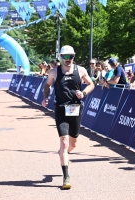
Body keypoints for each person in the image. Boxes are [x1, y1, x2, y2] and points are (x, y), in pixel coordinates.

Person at [41, 45, 94, 189]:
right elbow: (47, 85)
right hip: (60, 109)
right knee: (64, 142)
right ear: (60, 57)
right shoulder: (54, 72)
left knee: (73, 144)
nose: (68, 59)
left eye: (70, 56)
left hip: (75, 109)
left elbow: (91, 84)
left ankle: (63, 153)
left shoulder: (81, 70)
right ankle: (66, 177)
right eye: (65, 56)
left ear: (73, 57)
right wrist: (46, 97)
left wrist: (83, 93)